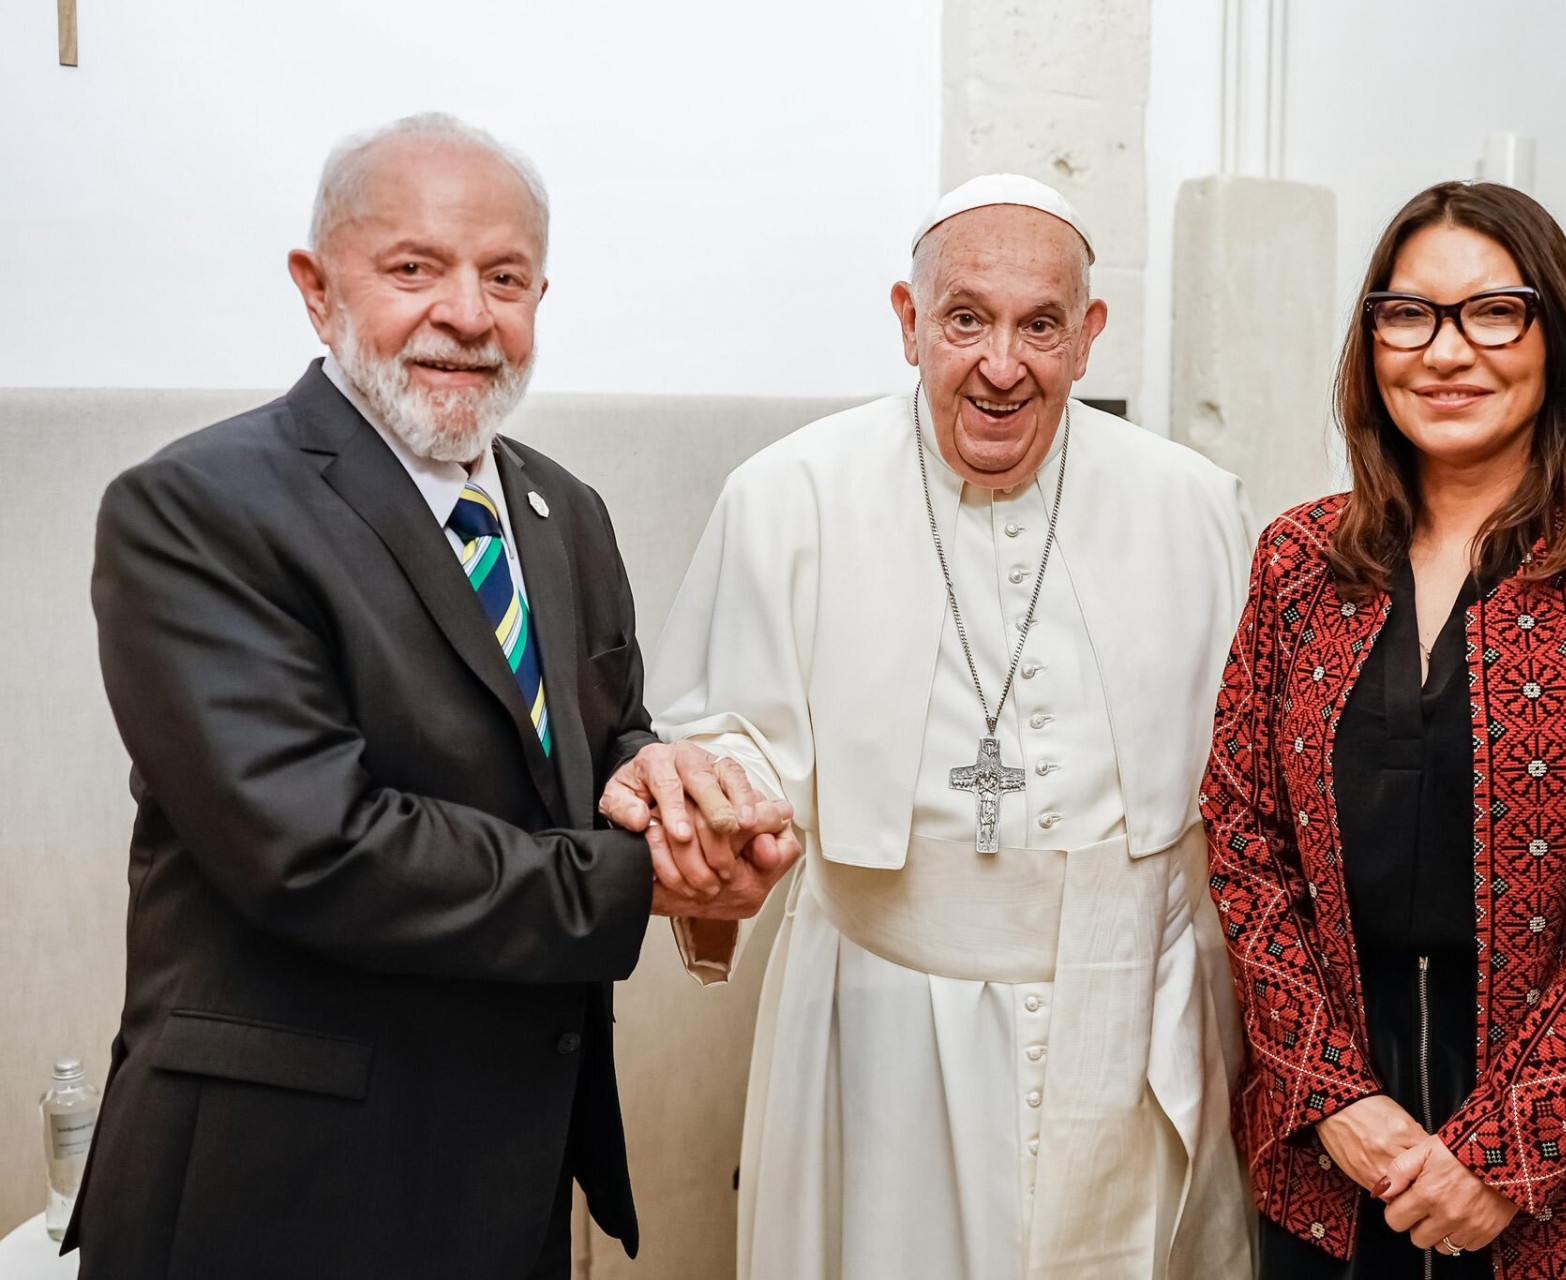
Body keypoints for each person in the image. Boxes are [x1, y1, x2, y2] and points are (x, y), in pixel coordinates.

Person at [70, 113, 797, 1280]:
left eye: (504, 277)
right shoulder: (196, 509)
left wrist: (679, 794)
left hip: (508, 1170)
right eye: (415, 269)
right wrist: (638, 872)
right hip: (280, 1186)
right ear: (317, 289)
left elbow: (598, 745)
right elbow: (317, 847)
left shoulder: (567, 513)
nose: (468, 313)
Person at [632, 174, 1254, 1279]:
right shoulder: (791, 495)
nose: (1002, 364)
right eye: (966, 318)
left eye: (1041, 325)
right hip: (881, 1026)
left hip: (1126, 1027)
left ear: (1089, 335)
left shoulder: (1194, 502)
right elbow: (724, 732)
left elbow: (1254, 781)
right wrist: (722, 800)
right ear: (910, 323)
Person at [1201, 180, 1566, 1280]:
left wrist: (1508, 1150)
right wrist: (1332, 1095)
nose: (1447, 351)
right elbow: (1241, 833)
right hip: (1336, 1171)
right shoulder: (1297, 561)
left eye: (1492, 310)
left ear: (1557, 333)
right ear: (1373, 342)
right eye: (1409, 315)